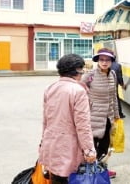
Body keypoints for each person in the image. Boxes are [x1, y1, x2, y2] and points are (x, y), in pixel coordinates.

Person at [38, 54, 96, 184]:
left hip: (51, 143)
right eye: (81, 69)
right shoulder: (78, 91)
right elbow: (83, 125)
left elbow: (46, 120)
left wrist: (42, 143)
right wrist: (89, 150)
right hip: (69, 146)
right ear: (77, 70)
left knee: (56, 178)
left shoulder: (50, 88)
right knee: (70, 178)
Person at [81, 48, 120, 179]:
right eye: (101, 59)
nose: (104, 62)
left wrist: (116, 115)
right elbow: (79, 92)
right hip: (92, 117)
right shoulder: (90, 75)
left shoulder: (113, 74)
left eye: (107, 60)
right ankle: (88, 173)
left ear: (111, 61)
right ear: (97, 61)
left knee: (104, 146)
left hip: (107, 118)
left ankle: (101, 170)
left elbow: (114, 96)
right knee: (90, 147)